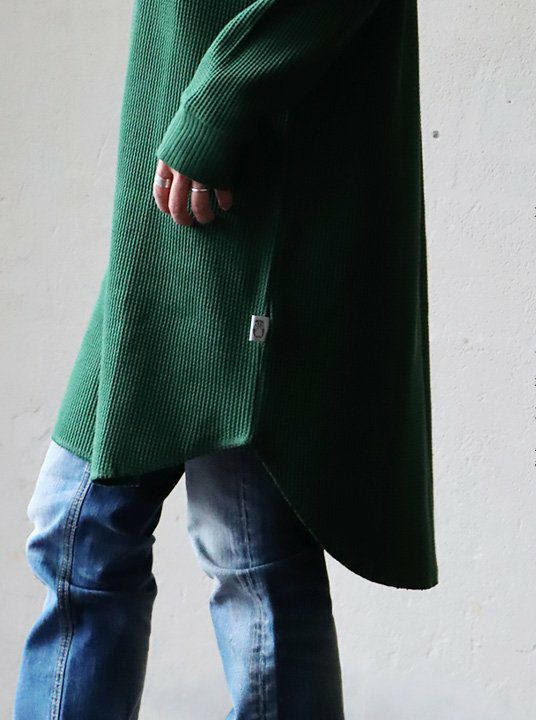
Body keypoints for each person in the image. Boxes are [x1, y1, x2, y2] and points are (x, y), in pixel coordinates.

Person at [14, 0, 439, 717]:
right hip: (181, 201)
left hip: (246, 177)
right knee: (109, 536)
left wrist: (225, 96)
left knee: (228, 549)